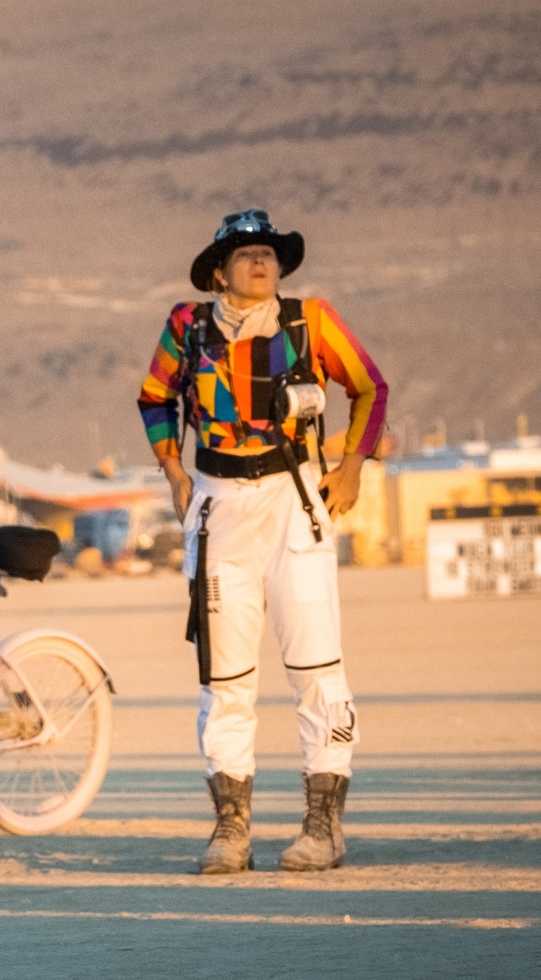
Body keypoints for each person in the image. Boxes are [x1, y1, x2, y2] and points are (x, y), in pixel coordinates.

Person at [137, 209, 389, 875]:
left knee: (316, 668)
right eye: (245, 253)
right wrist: (172, 469)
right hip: (218, 507)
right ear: (219, 272)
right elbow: (155, 397)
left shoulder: (312, 322)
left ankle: (323, 827)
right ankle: (231, 829)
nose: (260, 262)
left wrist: (352, 465)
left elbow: (370, 387)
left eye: (269, 253)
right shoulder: (187, 327)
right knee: (224, 679)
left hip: (294, 499)